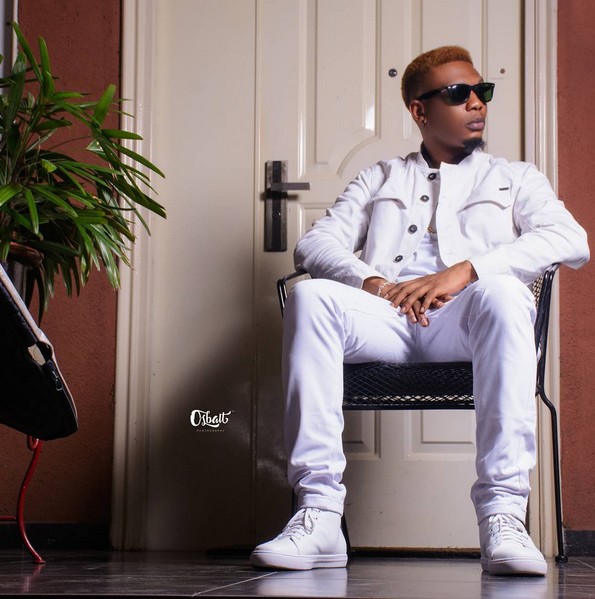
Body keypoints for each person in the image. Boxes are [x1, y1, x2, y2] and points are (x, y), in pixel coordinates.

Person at [250, 46, 589, 576]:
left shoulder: (516, 177)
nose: (476, 103)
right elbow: (315, 244)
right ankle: (318, 513)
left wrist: (468, 270)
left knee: (504, 292)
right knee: (310, 296)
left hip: (466, 321)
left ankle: (503, 514)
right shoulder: (381, 177)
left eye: (482, 91)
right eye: (458, 94)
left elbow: (571, 239)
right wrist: (375, 283)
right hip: (387, 320)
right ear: (419, 110)